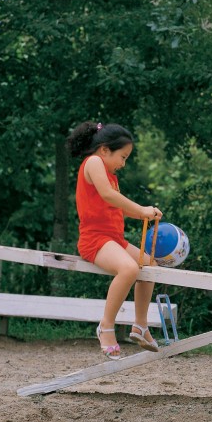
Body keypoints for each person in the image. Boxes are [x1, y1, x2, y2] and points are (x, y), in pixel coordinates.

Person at [67, 121, 163, 360]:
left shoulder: (108, 173)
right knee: (129, 268)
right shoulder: (93, 162)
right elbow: (108, 195)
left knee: (150, 266)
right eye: (123, 156)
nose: (123, 163)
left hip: (113, 239)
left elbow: (116, 205)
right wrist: (142, 209)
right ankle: (106, 326)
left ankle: (140, 326)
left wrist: (148, 212)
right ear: (104, 150)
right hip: (94, 239)